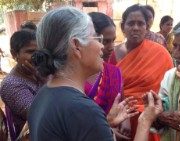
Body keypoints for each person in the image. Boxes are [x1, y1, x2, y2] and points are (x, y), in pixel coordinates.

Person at [28, 6, 163, 141]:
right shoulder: (83, 110)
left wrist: (105, 124)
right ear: (76, 46)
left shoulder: (43, 94)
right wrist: (145, 121)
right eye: (97, 38)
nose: (102, 46)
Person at [109, 4, 173, 141]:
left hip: (150, 120)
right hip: (119, 119)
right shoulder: (111, 54)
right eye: (131, 23)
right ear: (123, 27)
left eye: (141, 24)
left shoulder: (160, 53)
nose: (136, 28)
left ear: (147, 27)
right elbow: (108, 91)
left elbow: (168, 90)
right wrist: (113, 123)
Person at [0, 29, 44, 140]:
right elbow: (40, 115)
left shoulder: (40, 72)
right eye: (31, 52)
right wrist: (42, 77)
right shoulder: (11, 85)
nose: (37, 56)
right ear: (14, 54)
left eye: (39, 51)